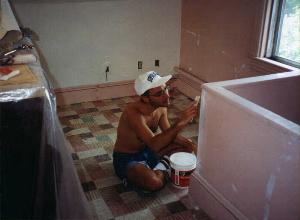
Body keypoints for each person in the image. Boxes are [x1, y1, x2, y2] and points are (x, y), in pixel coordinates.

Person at [113, 71, 198, 193]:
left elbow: (170, 134)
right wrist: (180, 122)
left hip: (149, 151)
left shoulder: (161, 107)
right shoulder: (132, 113)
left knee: (187, 148)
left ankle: (159, 168)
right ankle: (157, 170)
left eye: (166, 89)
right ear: (145, 98)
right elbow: (155, 144)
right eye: (159, 94)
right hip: (127, 158)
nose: (167, 96)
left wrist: (191, 145)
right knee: (155, 182)